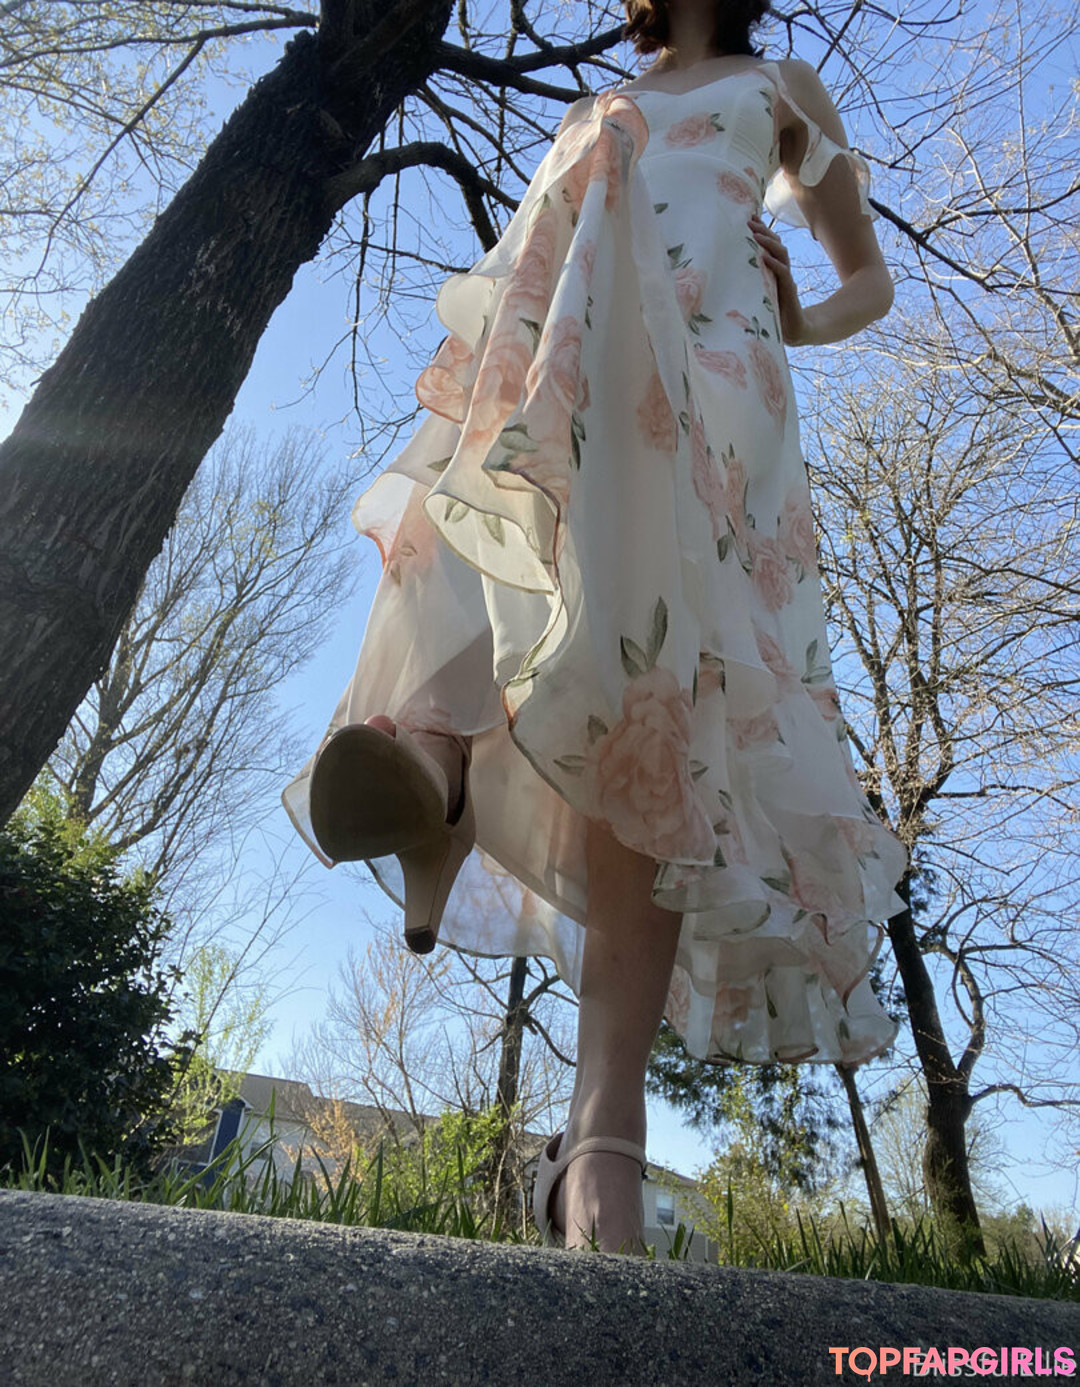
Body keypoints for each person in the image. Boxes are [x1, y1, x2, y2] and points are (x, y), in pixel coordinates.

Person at [282, 0, 909, 1256]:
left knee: (656, 698)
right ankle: (433, 745)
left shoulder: (784, 85)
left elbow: (870, 278)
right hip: (586, 348)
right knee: (514, 486)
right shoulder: (589, 110)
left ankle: (600, 1129)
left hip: (719, 381)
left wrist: (798, 321)